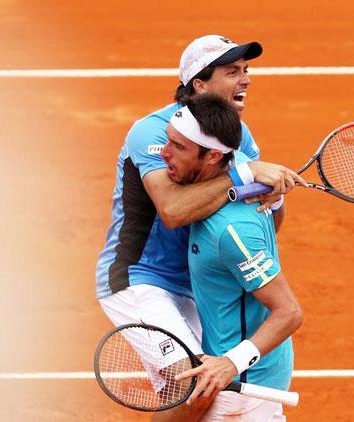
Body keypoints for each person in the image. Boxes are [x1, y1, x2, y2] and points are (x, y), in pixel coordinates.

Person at [95, 35, 305, 422]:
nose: (245, 80)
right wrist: (244, 173)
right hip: (141, 278)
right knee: (192, 385)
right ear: (200, 85)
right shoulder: (153, 134)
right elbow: (173, 210)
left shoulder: (239, 138)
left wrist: (273, 199)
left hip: (198, 284)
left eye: (245, 71)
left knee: (209, 388)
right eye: (232, 72)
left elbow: (263, 226)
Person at [170, 94, 303, 421]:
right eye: (168, 141)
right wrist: (275, 204)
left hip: (243, 388)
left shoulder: (231, 231)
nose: (164, 153)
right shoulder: (240, 165)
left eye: (179, 148)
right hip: (233, 367)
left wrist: (231, 363)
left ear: (213, 156)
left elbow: (289, 312)